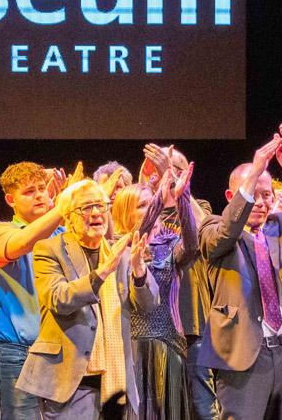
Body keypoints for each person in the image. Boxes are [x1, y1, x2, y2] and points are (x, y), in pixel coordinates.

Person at [198, 127, 282, 419]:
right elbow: (226, 233)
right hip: (245, 356)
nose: (262, 202)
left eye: (267, 195)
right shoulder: (212, 228)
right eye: (254, 195)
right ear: (232, 195)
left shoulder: (279, 226)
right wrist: (254, 172)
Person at [16, 179, 158, 419]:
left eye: (101, 206)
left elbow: (149, 306)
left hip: (116, 377)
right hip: (71, 379)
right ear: (69, 217)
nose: (95, 213)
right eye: (86, 208)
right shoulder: (49, 249)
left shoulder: (121, 251)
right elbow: (58, 299)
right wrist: (101, 273)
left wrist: (139, 271)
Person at [0, 162, 75, 420]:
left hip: (62, 351)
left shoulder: (65, 233)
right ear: (10, 199)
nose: (39, 195)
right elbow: (22, 243)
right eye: (29, 191)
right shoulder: (0, 231)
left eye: (43, 189)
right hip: (20, 352)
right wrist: (60, 208)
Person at [123, 162, 201, 420]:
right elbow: (139, 234)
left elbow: (192, 246)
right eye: (142, 205)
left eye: (152, 203)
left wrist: (183, 199)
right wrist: (159, 197)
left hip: (170, 345)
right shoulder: (120, 246)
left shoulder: (170, 243)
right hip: (134, 348)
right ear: (126, 213)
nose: (151, 210)